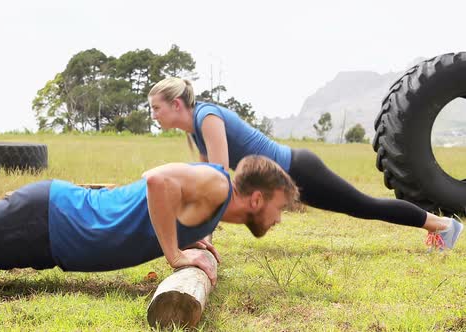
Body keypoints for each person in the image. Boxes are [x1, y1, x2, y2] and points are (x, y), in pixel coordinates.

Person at [148, 77, 463, 251]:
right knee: (363, 207)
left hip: (299, 170)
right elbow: (209, 185)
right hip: (288, 174)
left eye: (156, 108)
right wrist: (203, 235)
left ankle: (446, 226)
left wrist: (204, 234)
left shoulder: (208, 118)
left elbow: (217, 184)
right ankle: (441, 227)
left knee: (366, 206)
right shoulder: (198, 129)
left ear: (176, 104)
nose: (153, 115)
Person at [0, 156, 298, 284]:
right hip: (47, 222)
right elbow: (158, 180)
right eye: (280, 207)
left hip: (51, 219)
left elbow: (174, 200)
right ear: (257, 198)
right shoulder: (218, 186)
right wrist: (174, 254)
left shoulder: (217, 195)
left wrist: (195, 235)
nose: (279, 218)